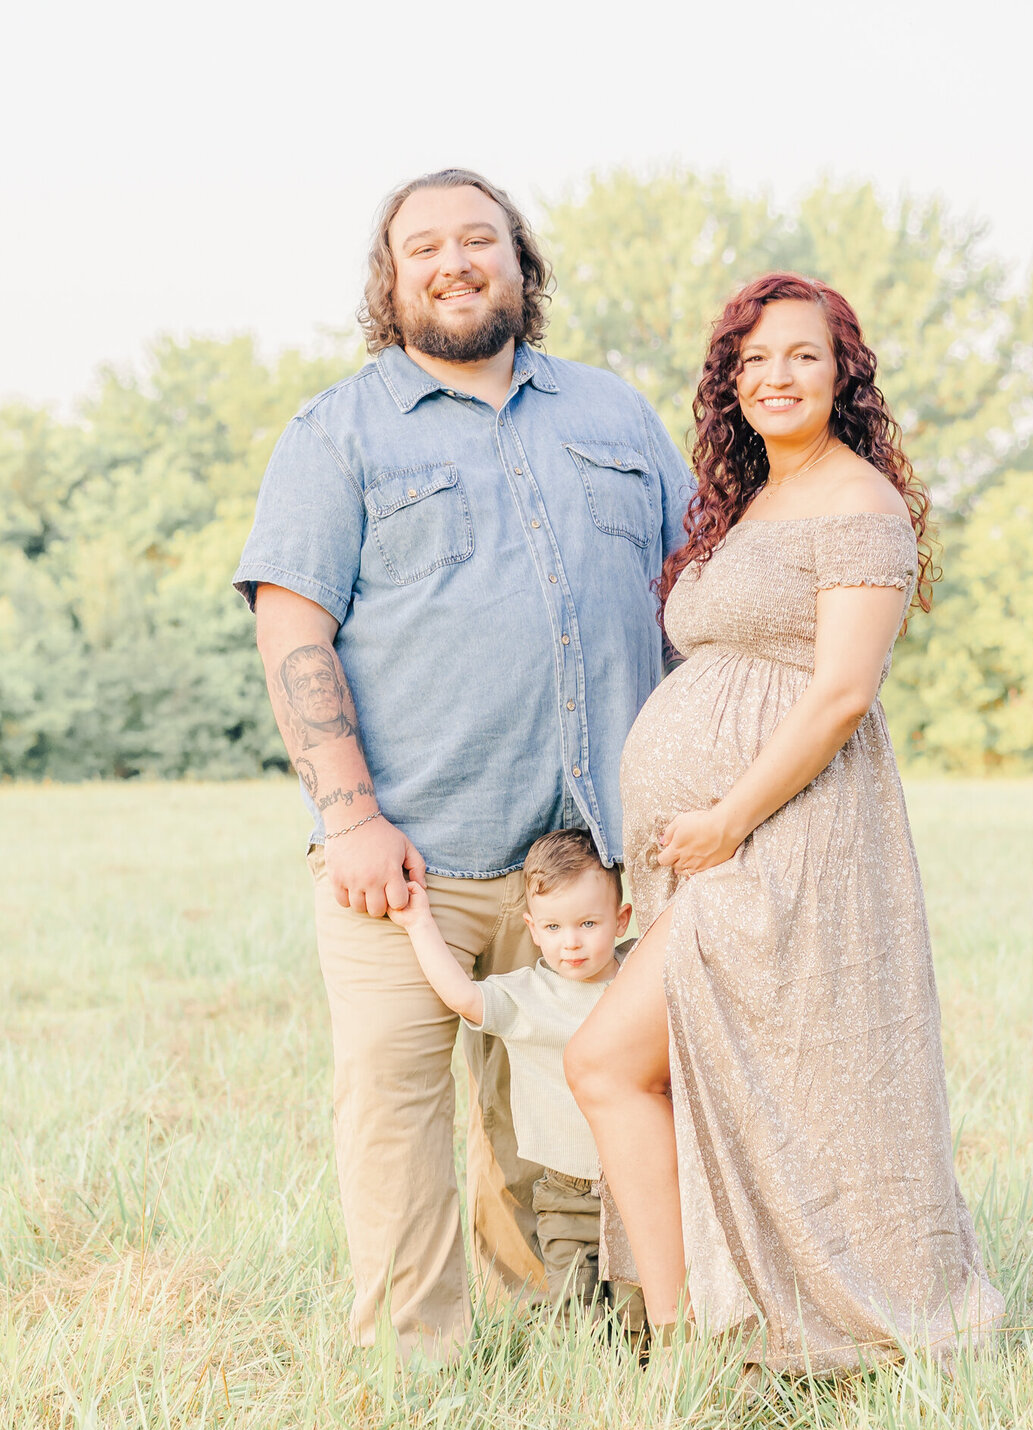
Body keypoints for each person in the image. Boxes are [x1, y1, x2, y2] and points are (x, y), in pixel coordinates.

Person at [232, 169, 691, 1365]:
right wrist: (350, 816)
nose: (453, 260)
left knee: (562, 1103)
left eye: (478, 237)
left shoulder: (613, 417)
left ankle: (577, 1329)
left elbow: (695, 598)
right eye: (421, 245)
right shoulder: (337, 431)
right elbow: (293, 626)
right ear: (389, 280)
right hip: (411, 856)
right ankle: (417, 1365)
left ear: (520, 263)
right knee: (396, 1109)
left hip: (603, 866)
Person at [566, 273, 1005, 1373]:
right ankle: (707, 1332)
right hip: (718, 837)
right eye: (753, 360)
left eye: (801, 355)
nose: (775, 376)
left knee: (610, 1060)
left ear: (842, 371)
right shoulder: (755, 496)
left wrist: (725, 818)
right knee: (735, 1077)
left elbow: (841, 694)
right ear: (731, 382)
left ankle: (697, 1341)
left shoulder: (863, 505)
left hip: (788, 837)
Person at [389, 828, 643, 1330]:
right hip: (567, 1191)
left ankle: (645, 1387)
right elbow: (463, 997)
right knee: (576, 1311)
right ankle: (590, 1391)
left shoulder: (637, 972)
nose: (570, 942)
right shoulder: (529, 995)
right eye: (553, 927)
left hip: (640, 1177)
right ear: (532, 929)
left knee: (641, 1310)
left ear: (622, 920)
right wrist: (420, 923)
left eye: (588, 923)